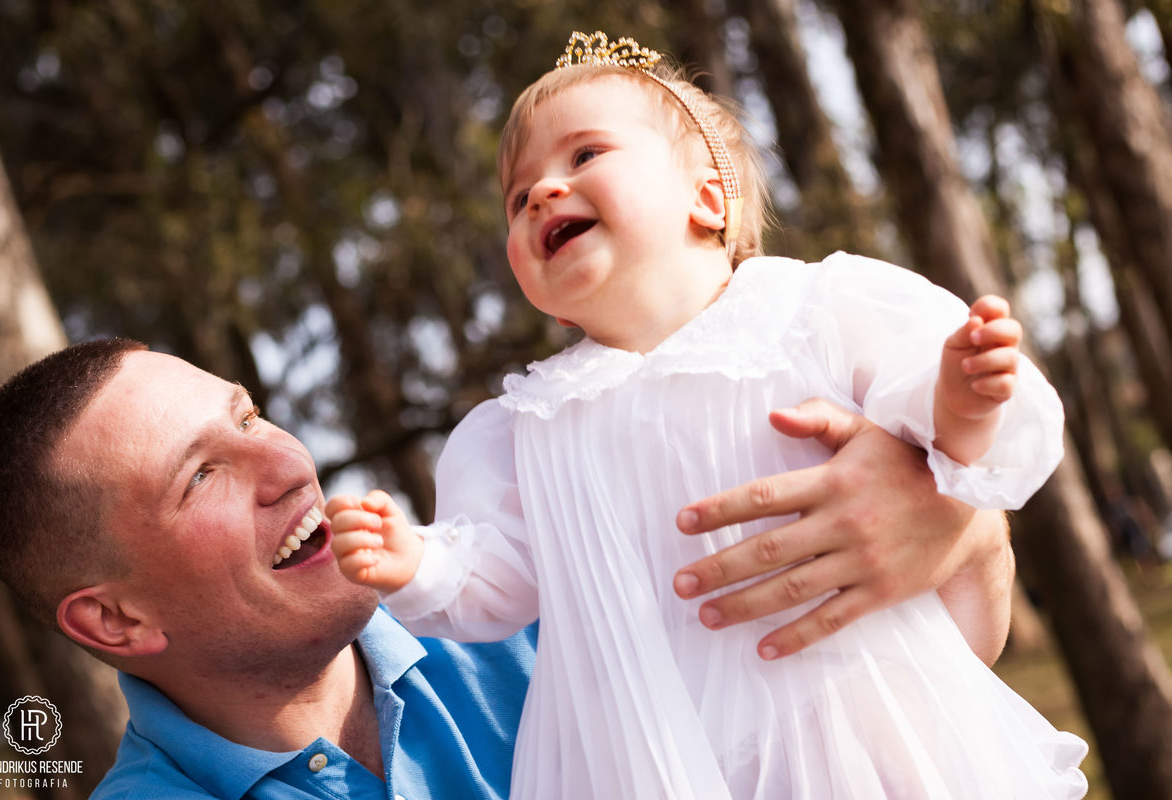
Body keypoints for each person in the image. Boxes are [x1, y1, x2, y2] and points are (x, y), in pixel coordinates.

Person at [327, 31, 1088, 799]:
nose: (544, 193)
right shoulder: (528, 423)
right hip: (645, 759)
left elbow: (932, 438)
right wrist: (419, 561)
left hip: (855, 723)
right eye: (519, 198)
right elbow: (499, 576)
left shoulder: (808, 312)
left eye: (584, 156)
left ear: (707, 198)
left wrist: (958, 399)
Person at [0, 339, 1018, 800]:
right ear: (113, 618)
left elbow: (910, 687)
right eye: (201, 473)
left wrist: (952, 523)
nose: (285, 460)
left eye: (249, 413)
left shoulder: (545, 589)